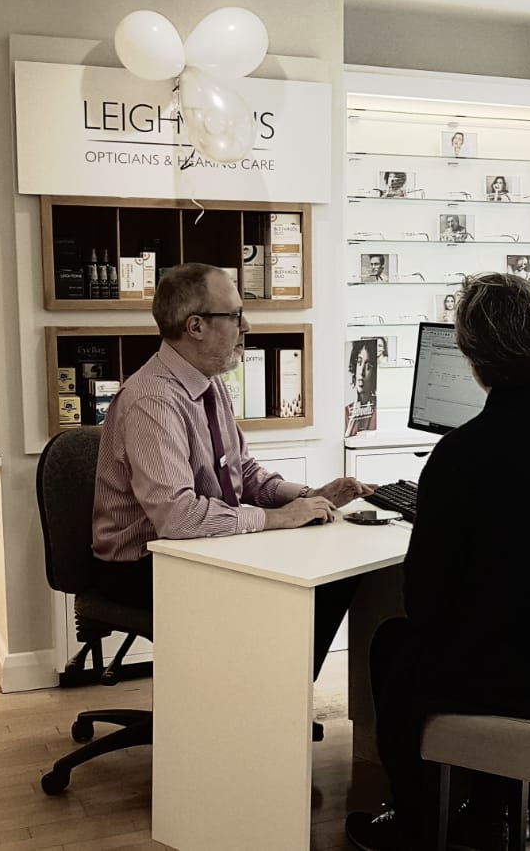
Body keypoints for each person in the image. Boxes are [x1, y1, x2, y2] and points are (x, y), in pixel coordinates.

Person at [345, 273, 530, 851]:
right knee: (486, 630)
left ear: (471, 355)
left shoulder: (462, 455)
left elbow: (424, 604)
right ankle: (488, 806)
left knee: (395, 646)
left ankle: (416, 820)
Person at [92, 263, 377, 709]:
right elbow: (177, 517)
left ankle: (271, 703)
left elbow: (240, 473)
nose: (247, 327)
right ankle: (259, 708)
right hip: (142, 563)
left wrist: (307, 497)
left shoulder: (209, 382)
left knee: (334, 574)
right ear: (196, 326)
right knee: (297, 583)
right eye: (236, 315)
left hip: (193, 546)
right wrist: (278, 520)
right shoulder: (152, 400)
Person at [344, 338, 377, 437]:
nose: (361, 372)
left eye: (368, 366)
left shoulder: (377, 411)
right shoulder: (345, 412)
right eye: (359, 362)